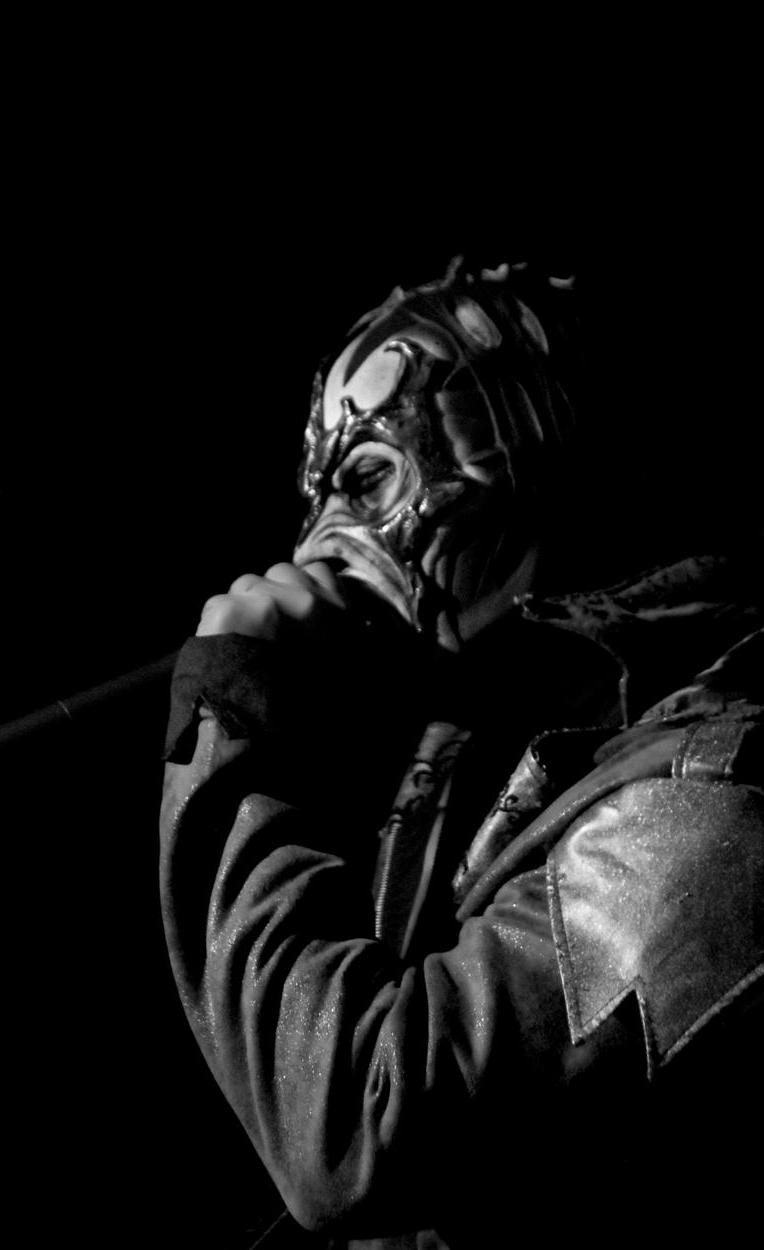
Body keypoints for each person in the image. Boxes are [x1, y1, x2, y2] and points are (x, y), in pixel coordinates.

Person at [158, 258, 763, 1249]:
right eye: (316, 499)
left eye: (368, 477)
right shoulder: (473, 753)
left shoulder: (712, 793)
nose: (316, 546)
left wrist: (231, 724)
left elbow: (352, 1124)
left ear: (529, 452)